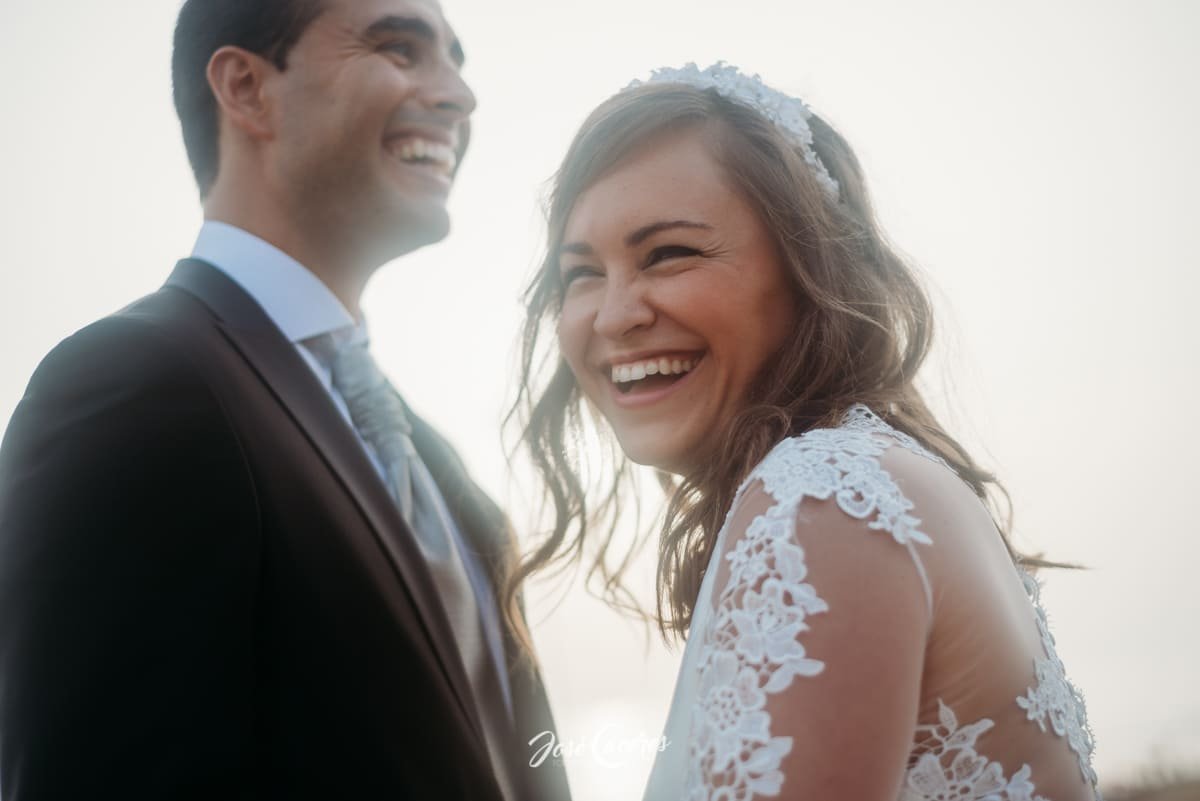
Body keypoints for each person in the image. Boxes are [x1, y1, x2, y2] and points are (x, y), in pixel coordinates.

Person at [0, 1, 569, 799]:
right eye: (400, 48)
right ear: (246, 88)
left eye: (457, 59)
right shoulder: (129, 387)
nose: (458, 95)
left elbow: (519, 754)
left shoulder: (436, 459)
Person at [509, 63, 1102, 800]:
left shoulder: (824, 499)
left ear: (809, 267)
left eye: (668, 253)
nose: (613, 314)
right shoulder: (867, 478)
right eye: (581, 274)